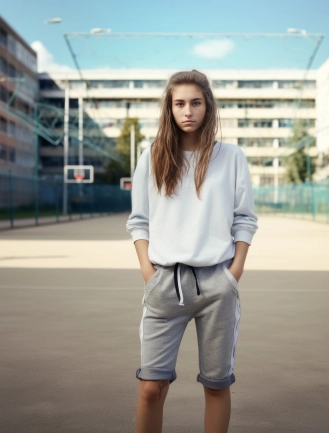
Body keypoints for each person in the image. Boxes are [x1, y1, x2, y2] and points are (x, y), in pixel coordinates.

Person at [126, 69, 258, 433]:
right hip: (165, 284)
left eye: (195, 103)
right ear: (169, 108)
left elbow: (244, 219)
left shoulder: (231, 157)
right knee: (151, 387)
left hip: (218, 285)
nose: (188, 111)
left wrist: (233, 274)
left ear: (207, 106)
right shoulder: (151, 156)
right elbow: (139, 221)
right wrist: (149, 274)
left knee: (217, 385)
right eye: (179, 103)